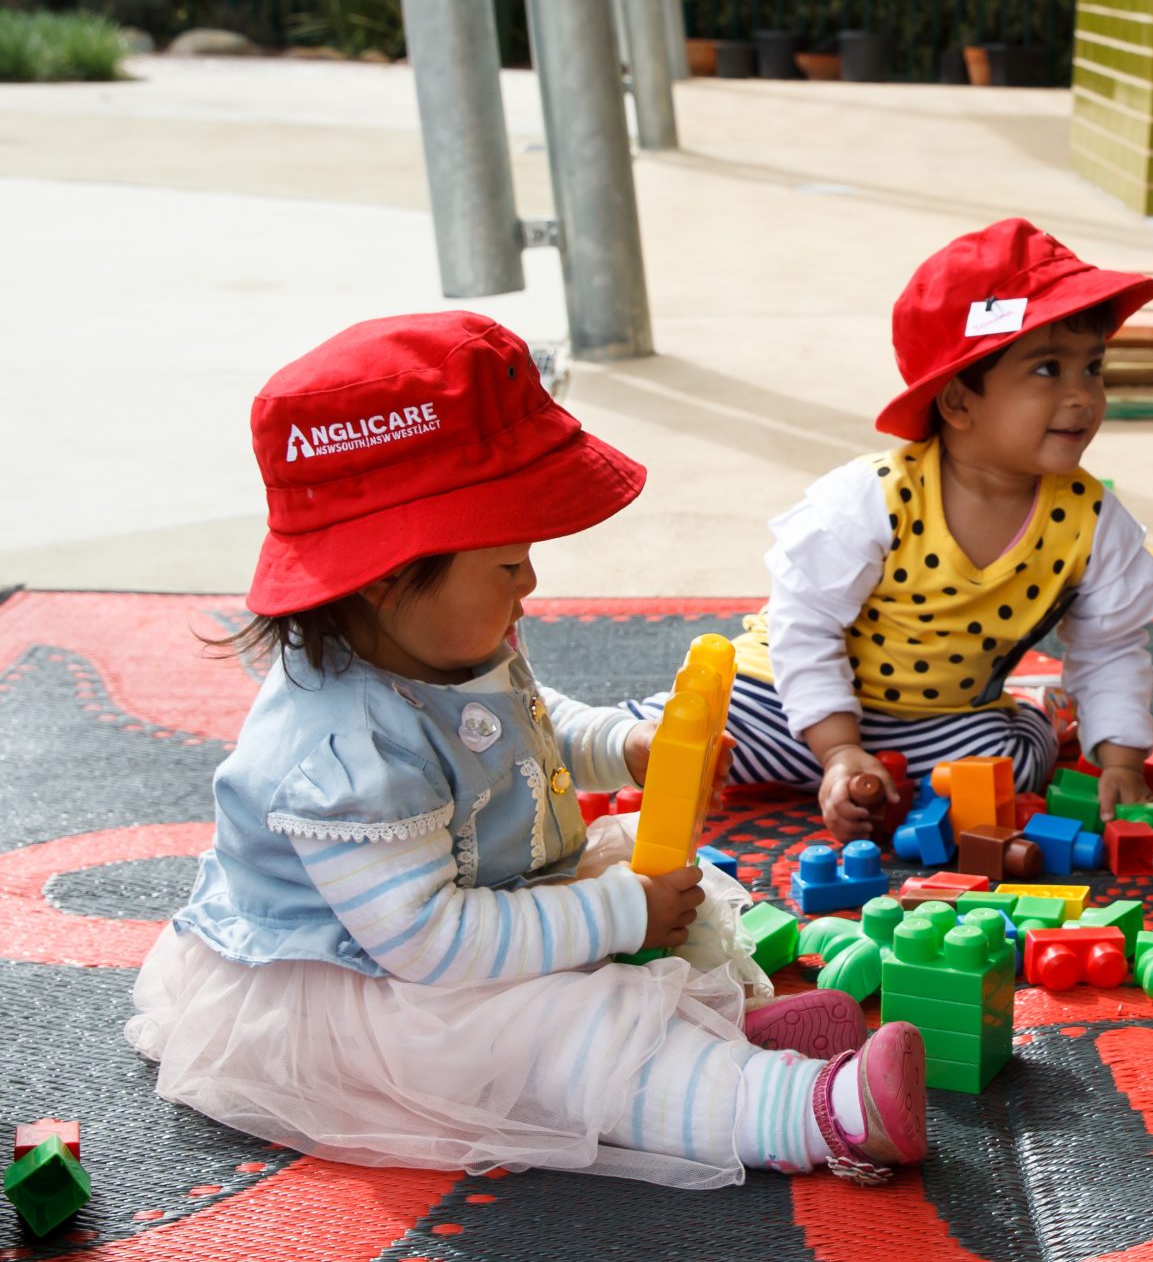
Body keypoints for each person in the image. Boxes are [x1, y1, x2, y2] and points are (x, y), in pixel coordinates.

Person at [128, 313, 926, 1188]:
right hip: (391, 989)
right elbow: (432, 945)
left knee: (678, 903)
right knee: (564, 1035)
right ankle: (817, 1114)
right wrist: (620, 913)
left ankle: (719, 1036)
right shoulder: (343, 760)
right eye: (509, 563)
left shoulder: (445, 639)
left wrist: (622, 747)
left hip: (488, 904)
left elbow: (527, 725)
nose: (532, 583)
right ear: (388, 573)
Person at [629, 219, 1153, 842]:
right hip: (790, 697)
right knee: (688, 742)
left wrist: (1120, 760)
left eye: (1094, 368)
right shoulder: (872, 497)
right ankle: (629, 737)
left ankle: (888, 772)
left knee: (1016, 761)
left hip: (935, 719)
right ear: (959, 402)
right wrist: (837, 750)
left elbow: (1109, 649)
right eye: (1048, 370)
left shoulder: (1095, 523)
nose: (1082, 396)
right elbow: (803, 625)